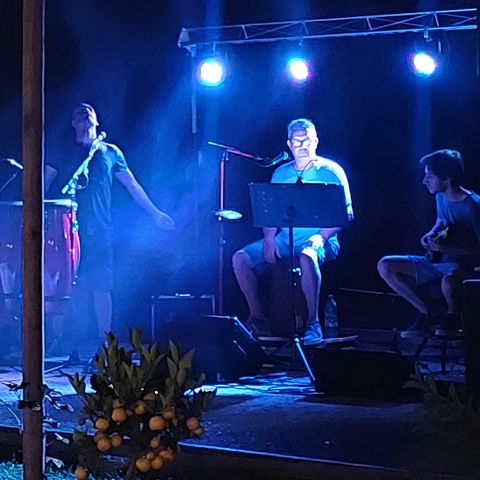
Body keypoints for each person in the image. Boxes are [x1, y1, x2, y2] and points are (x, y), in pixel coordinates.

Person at [57, 102, 175, 341]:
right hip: (67, 228)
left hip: (100, 228)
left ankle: (105, 343)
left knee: (101, 285)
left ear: (97, 120)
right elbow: (43, 181)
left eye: (90, 110)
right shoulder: (64, 150)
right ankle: (72, 343)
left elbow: (132, 184)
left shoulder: (111, 152)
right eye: (80, 111)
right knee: (75, 286)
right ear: (73, 123)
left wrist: (155, 213)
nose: (86, 112)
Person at [232, 118, 353, 345]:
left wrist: (321, 237)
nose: (302, 145)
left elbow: (347, 215)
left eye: (307, 140)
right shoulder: (281, 173)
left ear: (315, 141)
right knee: (240, 259)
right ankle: (257, 317)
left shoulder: (331, 171)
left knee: (307, 256)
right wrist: (269, 238)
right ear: (289, 144)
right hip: (285, 238)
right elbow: (270, 212)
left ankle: (313, 323)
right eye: (297, 141)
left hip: (322, 239)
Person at [377, 149, 480, 334]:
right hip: (438, 262)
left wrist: (449, 249)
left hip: (465, 267)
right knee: (386, 265)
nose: (425, 181)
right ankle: (430, 313)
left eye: (430, 176)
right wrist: (431, 234)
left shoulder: (473, 206)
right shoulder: (441, 196)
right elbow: (442, 220)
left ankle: (453, 319)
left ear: (447, 178)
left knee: (449, 281)